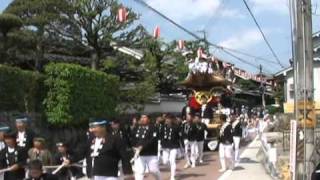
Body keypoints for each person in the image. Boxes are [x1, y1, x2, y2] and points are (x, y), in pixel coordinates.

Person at [132, 114, 161, 180]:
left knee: (153, 170)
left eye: (144, 117)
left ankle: (159, 178)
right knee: (139, 172)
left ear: (149, 119)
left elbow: (152, 139)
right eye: (141, 117)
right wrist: (133, 146)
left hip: (151, 153)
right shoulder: (137, 128)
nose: (142, 119)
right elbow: (133, 138)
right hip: (139, 154)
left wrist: (142, 146)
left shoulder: (153, 128)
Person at [160, 114, 180, 180]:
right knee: (165, 161)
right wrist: (161, 144)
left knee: (172, 161)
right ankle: (172, 169)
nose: (167, 120)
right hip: (165, 146)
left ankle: (172, 176)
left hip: (173, 146)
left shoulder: (176, 127)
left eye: (168, 119)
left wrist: (179, 148)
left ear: (171, 120)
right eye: (166, 119)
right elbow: (160, 136)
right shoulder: (163, 127)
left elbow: (179, 137)